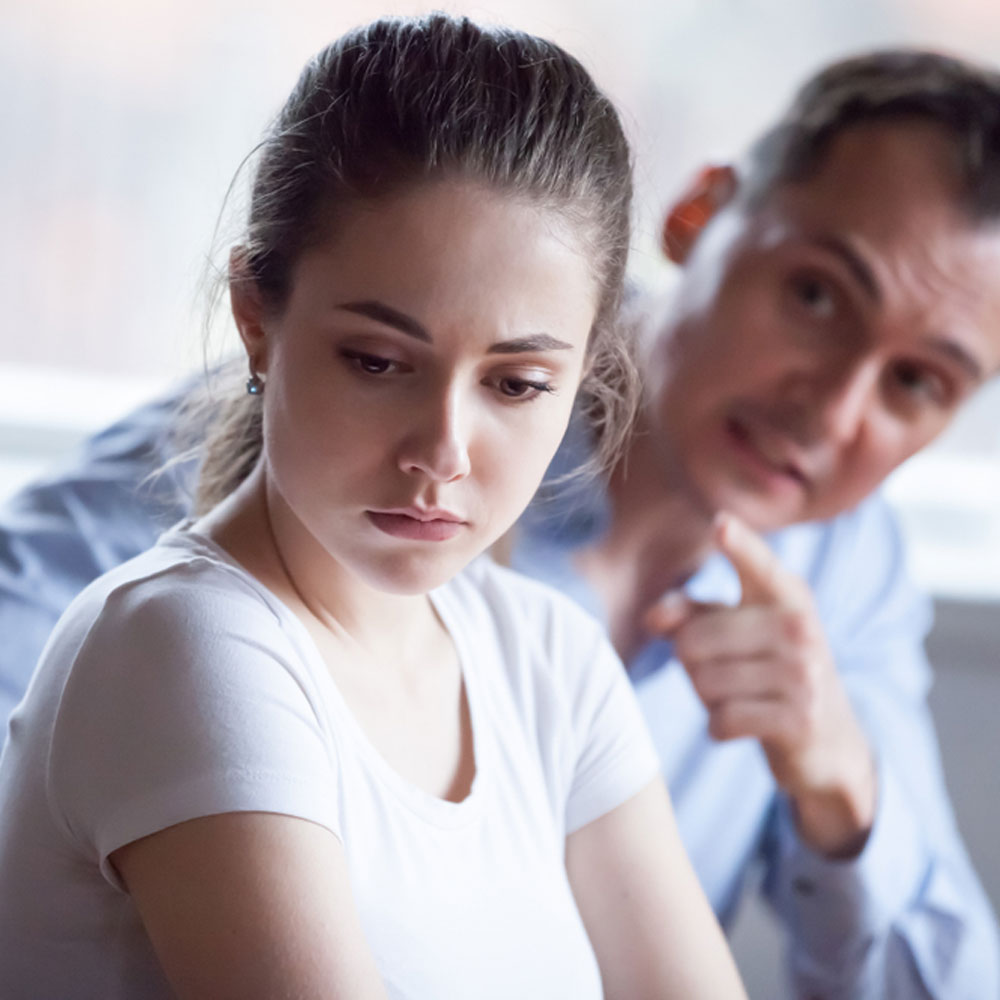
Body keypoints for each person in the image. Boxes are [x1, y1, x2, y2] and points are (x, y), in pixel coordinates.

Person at [2, 44, 999, 1000]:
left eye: (916, 381)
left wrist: (845, 796)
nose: (826, 410)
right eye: (815, 296)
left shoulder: (601, 640)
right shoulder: (212, 582)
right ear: (699, 217)